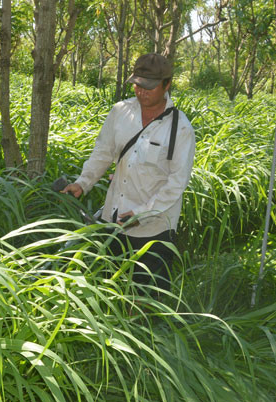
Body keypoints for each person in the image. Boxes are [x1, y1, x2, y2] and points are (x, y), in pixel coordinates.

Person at [61, 52, 196, 295]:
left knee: (145, 295)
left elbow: (176, 183)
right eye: (137, 85)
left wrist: (141, 214)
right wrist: (83, 183)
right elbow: (103, 151)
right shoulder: (120, 112)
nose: (141, 92)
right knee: (110, 287)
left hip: (153, 227)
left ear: (167, 85)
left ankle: (144, 330)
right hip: (114, 217)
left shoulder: (180, 128)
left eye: (149, 87)